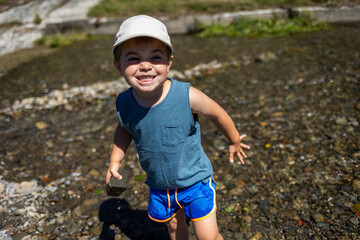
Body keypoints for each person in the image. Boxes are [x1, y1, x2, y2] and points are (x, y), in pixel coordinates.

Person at [106, 15, 250, 240]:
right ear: (118, 65)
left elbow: (217, 113)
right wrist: (116, 160)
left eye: (155, 57)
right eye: (133, 59)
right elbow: (125, 127)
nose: (145, 66)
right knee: (174, 229)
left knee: (207, 236)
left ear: (169, 62)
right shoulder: (125, 103)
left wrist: (233, 140)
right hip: (160, 186)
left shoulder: (186, 96)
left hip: (195, 181)